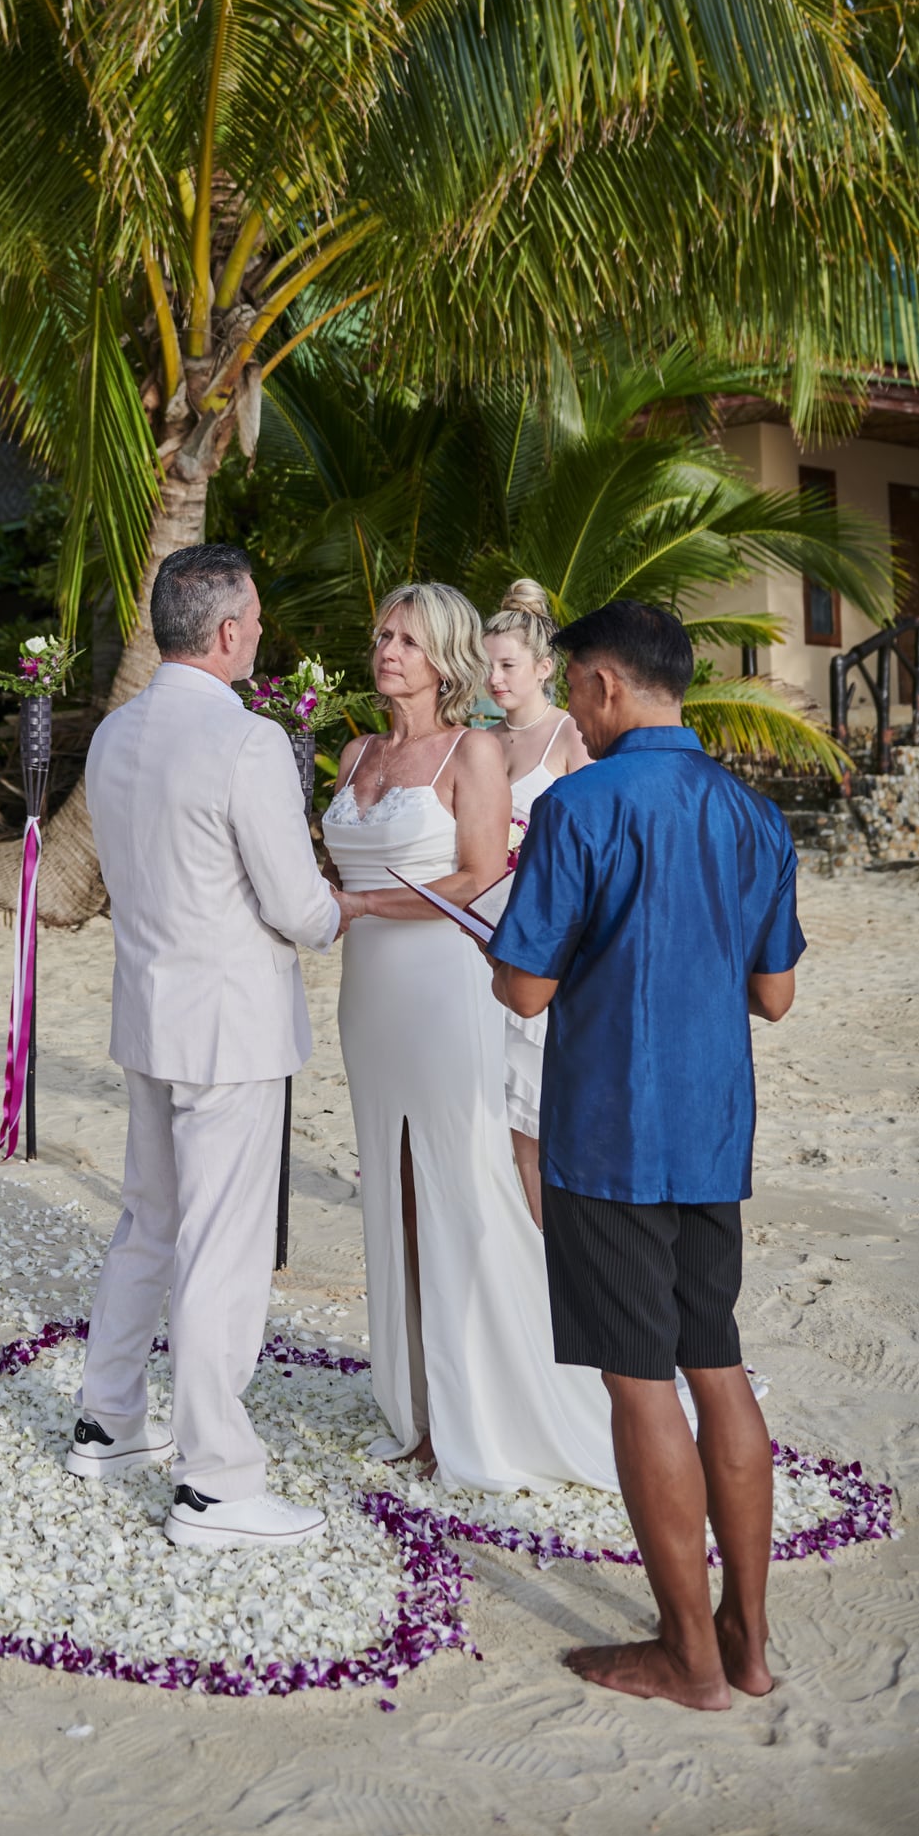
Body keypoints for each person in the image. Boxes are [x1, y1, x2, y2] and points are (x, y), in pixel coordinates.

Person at [489, 599, 803, 1710]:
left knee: (640, 1384)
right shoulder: (755, 815)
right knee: (715, 1362)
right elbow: (775, 993)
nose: (573, 702)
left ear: (608, 685)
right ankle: (749, 1644)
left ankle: (689, 1656)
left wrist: (539, 946)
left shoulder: (580, 806)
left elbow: (523, 986)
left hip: (612, 1131)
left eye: (576, 685)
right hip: (712, 1129)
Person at [75, 543, 356, 1550]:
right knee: (220, 1249)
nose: (263, 635)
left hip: (149, 1009)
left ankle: (107, 1417)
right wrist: (340, 915)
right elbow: (292, 902)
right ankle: (216, 1482)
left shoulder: (113, 735)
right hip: (229, 1025)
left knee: (149, 1220)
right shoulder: (247, 740)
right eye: (260, 619)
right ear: (230, 631)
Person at [323, 583, 618, 1492]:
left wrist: (364, 904)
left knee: (459, 1184)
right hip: (367, 999)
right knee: (394, 1195)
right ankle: (413, 1404)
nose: (389, 651)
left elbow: (484, 872)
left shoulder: (474, 750)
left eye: (408, 639)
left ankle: (479, 1408)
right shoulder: (355, 750)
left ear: (444, 656)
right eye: (381, 635)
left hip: (444, 991)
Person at [479, 580, 590, 1227]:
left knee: (537, 1110)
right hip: (479, 943)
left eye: (506, 665)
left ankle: (553, 1253)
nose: (492, 678)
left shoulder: (572, 738)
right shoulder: (480, 742)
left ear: (544, 668)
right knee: (492, 1114)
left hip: (546, 944)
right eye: (486, 664)